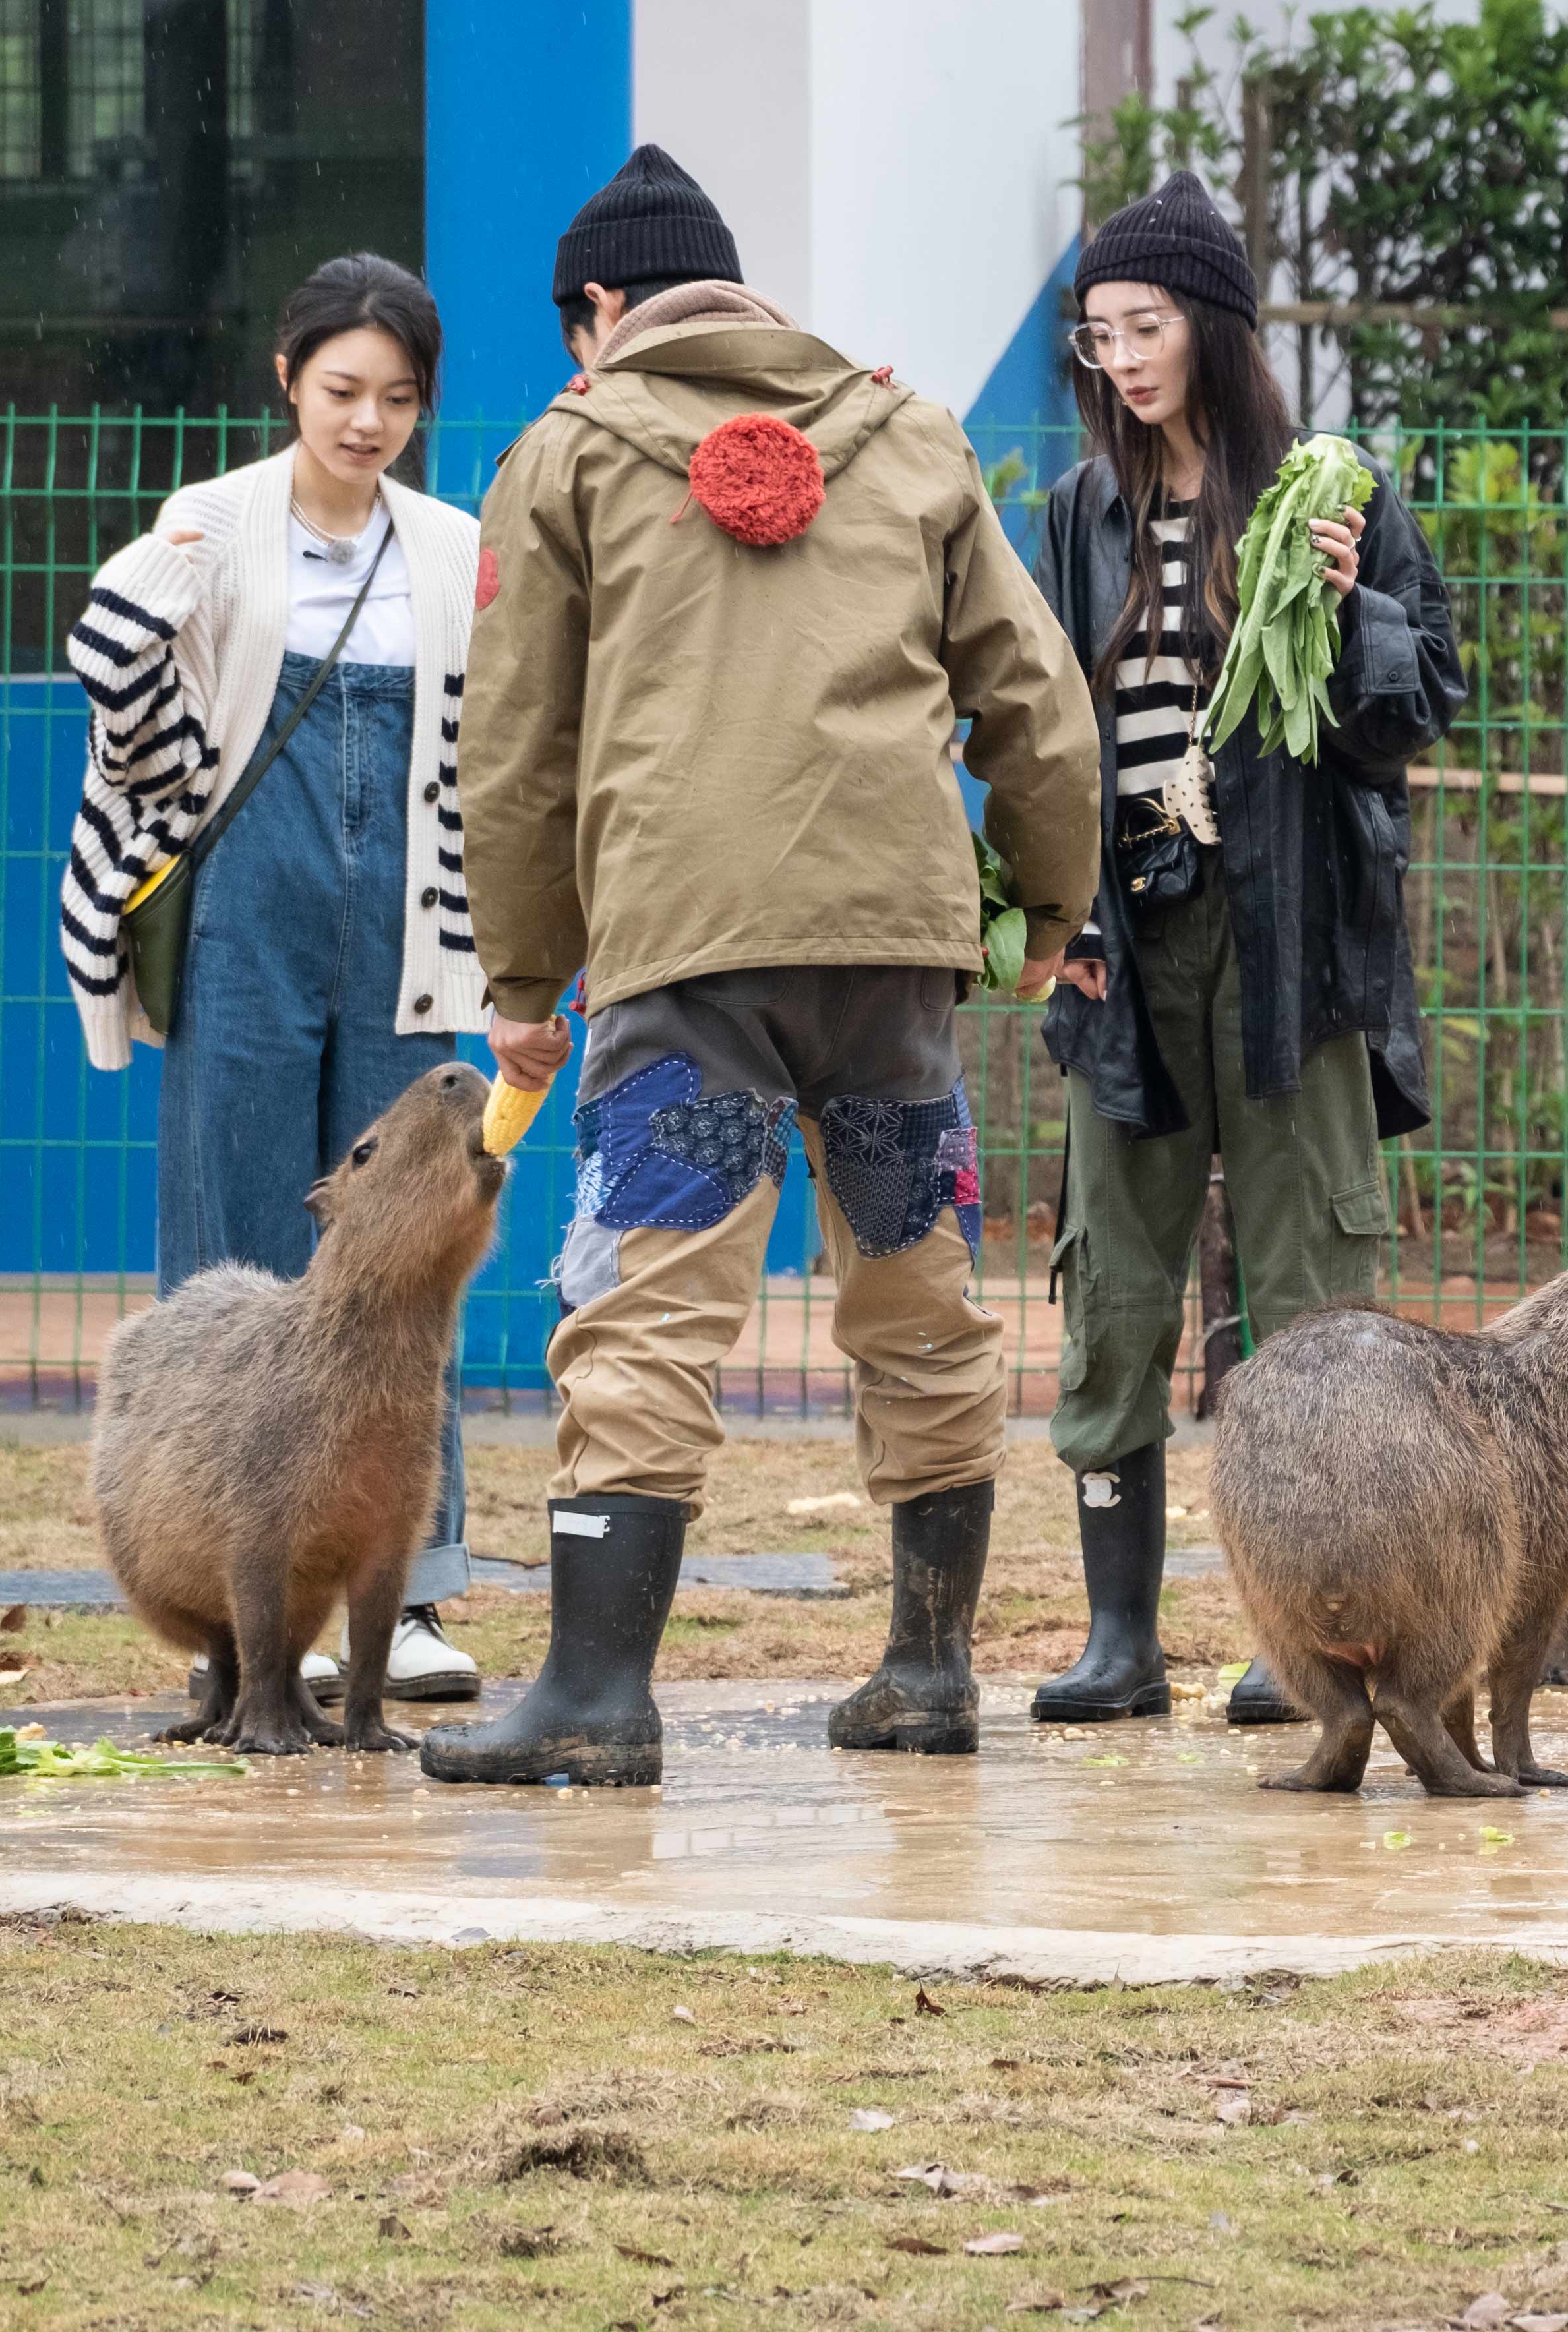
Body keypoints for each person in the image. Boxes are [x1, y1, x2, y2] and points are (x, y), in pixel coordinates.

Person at [427, 146, 1102, 1788]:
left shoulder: (567, 455)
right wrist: (1041, 916)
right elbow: (1046, 718)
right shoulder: (913, 442)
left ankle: (596, 1693)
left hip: (689, 951)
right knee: (919, 1297)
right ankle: (929, 1671)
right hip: (893, 956)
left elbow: (515, 747)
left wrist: (521, 975)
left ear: (597, 311)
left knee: (649, 1303)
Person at [1027, 171, 1463, 1727]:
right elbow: (1033, 728)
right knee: (1115, 1279)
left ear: (1212, 326)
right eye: (1099, 335)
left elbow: (1410, 722)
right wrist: (1045, 911)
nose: (1123, 358)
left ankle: (1321, 1631)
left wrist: (1356, 619)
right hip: (1128, 937)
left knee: (1309, 1286)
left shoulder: (1330, 495)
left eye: (1145, 326)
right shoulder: (1077, 512)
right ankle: (1117, 1638)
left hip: (1292, 934)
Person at [59, 252, 492, 1713]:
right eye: (342, 390)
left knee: (411, 1246)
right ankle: (221, 1618)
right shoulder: (217, 523)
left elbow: (487, 749)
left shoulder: (449, 545)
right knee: (234, 1227)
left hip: (409, 917)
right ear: (288, 379)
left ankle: (410, 1592)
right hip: (246, 905)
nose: (367, 422)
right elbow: (113, 679)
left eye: (397, 399)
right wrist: (156, 580)